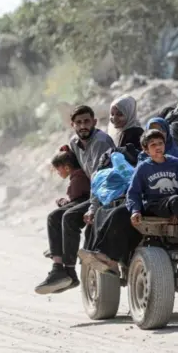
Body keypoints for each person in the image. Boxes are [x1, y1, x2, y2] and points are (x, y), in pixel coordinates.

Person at [34, 105, 115, 295]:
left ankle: (69, 273)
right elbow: (74, 171)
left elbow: (99, 178)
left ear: (94, 122)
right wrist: (70, 198)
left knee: (69, 217)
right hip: (91, 193)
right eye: (78, 123)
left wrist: (92, 208)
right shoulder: (75, 143)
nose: (83, 126)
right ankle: (58, 269)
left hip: (107, 194)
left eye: (87, 121)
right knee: (54, 216)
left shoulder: (100, 142)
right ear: (72, 125)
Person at [127, 129, 178, 245]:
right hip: (156, 206)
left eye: (160, 143)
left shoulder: (175, 163)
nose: (158, 147)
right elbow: (133, 192)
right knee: (175, 200)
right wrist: (135, 210)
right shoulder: (143, 168)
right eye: (153, 145)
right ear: (146, 150)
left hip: (177, 203)